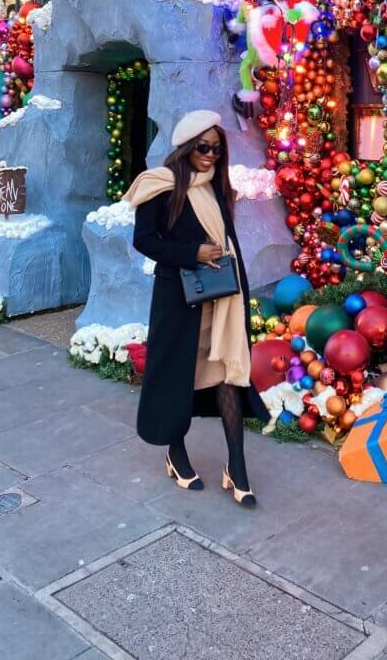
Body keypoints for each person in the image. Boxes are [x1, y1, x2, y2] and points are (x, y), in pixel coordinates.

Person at [125, 110, 269, 507]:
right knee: (178, 374)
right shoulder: (160, 186)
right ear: (186, 148)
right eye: (203, 148)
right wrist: (191, 252)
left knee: (227, 372)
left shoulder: (217, 187)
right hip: (177, 299)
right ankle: (176, 452)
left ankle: (236, 466)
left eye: (217, 149)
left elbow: (229, 240)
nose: (210, 156)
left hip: (221, 296)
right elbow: (145, 241)